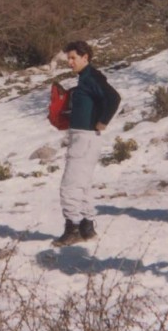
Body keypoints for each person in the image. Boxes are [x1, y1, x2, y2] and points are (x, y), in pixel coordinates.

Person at [52, 41, 121, 247]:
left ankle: (72, 228)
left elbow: (113, 98)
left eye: (73, 58)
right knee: (81, 185)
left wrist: (103, 121)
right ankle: (86, 228)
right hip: (84, 137)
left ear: (85, 58)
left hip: (85, 138)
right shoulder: (87, 78)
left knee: (69, 186)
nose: (70, 62)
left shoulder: (91, 77)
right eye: (68, 58)